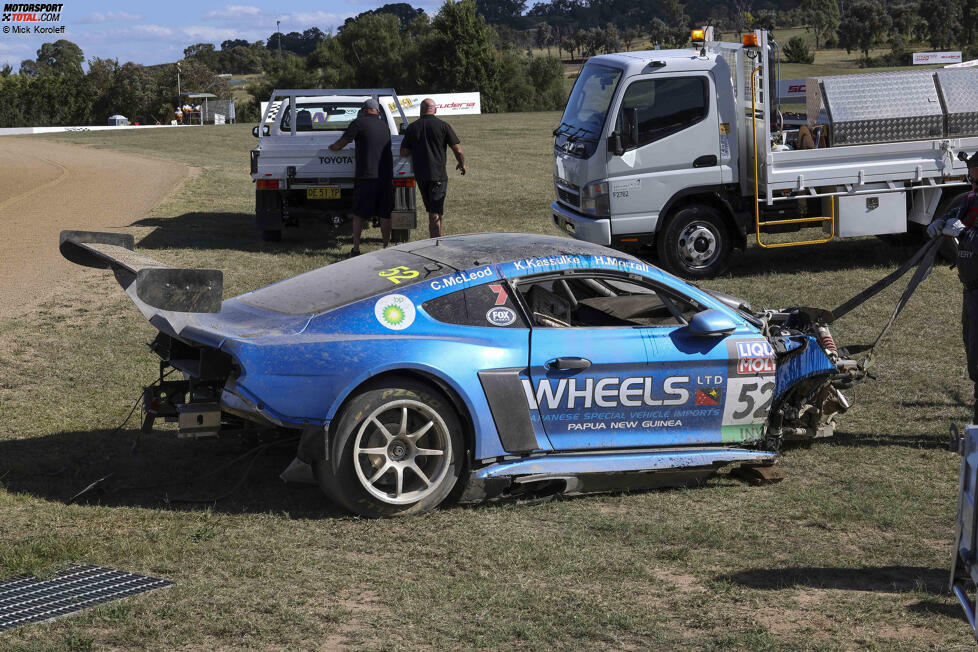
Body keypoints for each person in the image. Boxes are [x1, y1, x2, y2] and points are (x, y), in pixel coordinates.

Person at [928, 150, 978, 423]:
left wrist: (965, 233)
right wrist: (939, 222)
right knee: (973, 349)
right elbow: (958, 212)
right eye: (972, 173)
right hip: (971, 289)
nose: (974, 180)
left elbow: (968, 231)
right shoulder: (972, 199)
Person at [329, 98, 394, 256]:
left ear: (364, 110)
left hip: (366, 175)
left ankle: (356, 249)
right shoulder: (385, 126)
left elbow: (342, 143)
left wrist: (332, 148)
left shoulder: (358, 123)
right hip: (385, 176)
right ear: (377, 111)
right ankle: (386, 247)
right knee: (385, 213)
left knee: (359, 213)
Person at [400, 98, 466, 238]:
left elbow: (403, 152)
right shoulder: (443, 126)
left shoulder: (412, 128)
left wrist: (417, 147)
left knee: (432, 210)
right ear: (434, 110)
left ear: (421, 110)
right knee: (435, 213)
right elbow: (458, 150)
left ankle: (436, 238)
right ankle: (436, 242)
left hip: (421, 176)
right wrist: (462, 164)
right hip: (438, 175)